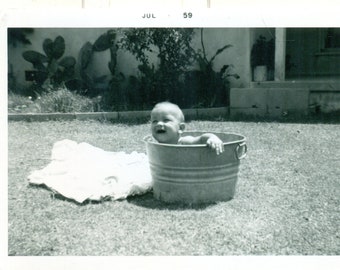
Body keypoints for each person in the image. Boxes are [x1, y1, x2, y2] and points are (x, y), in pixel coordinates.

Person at [150, 101, 224, 155]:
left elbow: (201, 139)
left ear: (181, 128)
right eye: (154, 121)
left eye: (166, 120)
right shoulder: (155, 146)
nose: (158, 123)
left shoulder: (184, 142)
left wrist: (212, 138)